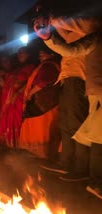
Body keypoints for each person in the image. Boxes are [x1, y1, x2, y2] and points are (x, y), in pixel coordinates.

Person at [33, 0, 102, 199]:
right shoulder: (94, 34)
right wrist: (48, 35)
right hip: (91, 86)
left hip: (84, 81)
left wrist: (51, 19)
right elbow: (69, 43)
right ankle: (89, 176)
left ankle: (85, 173)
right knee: (88, 131)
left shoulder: (93, 26)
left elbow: (73, 26)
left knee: (87, 130)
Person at [19, 47, 61, 160]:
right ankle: (38, 154)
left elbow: (43, 82)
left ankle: (42, 155)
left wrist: (30, 94)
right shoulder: (47, 65)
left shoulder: (49, 66)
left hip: (43, 106)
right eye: (40, 54)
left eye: (43, 54)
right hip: (43, 105)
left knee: (41, 129)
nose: (40, 56)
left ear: (51, 54)